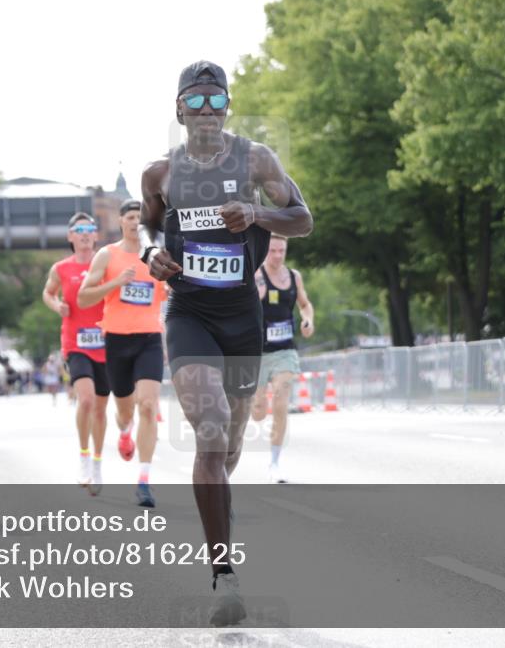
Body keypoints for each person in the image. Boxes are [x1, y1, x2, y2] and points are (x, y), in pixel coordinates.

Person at [139, 61, 313, 626]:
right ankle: (224, 575)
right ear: (180, 109)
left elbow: (302, 219)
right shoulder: (160, 173)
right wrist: (150, 255)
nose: (208, 112)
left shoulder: (256, 159)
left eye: (218, 102)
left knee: (231, 448)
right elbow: (148, 226)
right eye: (198, 101)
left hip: (242, 315)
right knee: (209, 431)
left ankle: (217, 503)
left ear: (227, 108)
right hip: (188, 310)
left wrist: (258, 212)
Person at [78, 199, 169, 507]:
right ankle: (125, 429)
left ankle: (144, 480)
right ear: (121, 222)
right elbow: (84, 297)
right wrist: (116, 282)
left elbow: (172, 291)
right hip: (117, 340)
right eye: (131, 217)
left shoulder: (159, 256)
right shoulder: (108, 255)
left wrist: (170, 288)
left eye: (141, 218)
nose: (136, 223)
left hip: (150, 339)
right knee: (126, 410)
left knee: (147, 405)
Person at [42, 213, 110, 495]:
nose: (84, 234)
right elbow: (48, 293)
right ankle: (83, 457)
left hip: (107, 343)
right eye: (79, 230)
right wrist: (56, 305)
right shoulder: (61, 268)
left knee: (101, 409)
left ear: (96, 236)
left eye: (89, 229)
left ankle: (96, 462)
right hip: (76, 343)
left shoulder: (106, 263)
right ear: (70, 237)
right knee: (85, 401)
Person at [249, 236, 315, 483]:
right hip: (258, 352)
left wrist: (308, 321)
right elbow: (245, 309)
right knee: (257, 412)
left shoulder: (294, 277)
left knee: (281, 400)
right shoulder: (257, 277)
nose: (277, 255)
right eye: (273, 250)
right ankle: (256, 402)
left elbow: (306, 305)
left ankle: (274, 463)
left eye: (282, 250)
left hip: (285, 351)